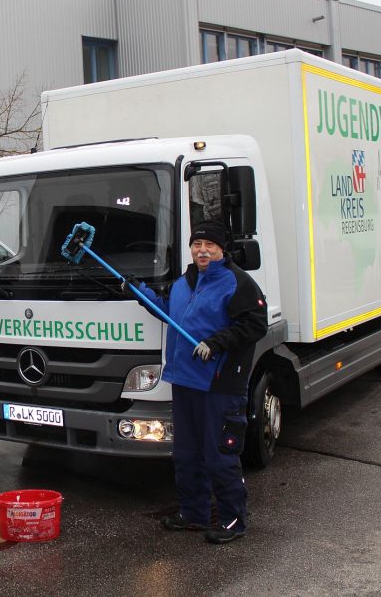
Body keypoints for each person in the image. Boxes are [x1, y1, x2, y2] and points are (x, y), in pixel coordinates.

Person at [124, 220, 267, 543]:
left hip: (218, 384)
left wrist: (217, 343)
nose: (202, 250)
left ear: (221, 249)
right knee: (186, 453)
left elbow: (254, 324)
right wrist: (140, 293)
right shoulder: (184, 283)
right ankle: (194, 513)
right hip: (184, 380)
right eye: (197, 245)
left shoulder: (237, 282)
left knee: (218, 454)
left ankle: (233, 520)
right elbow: (170, 313)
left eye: (209, 245)